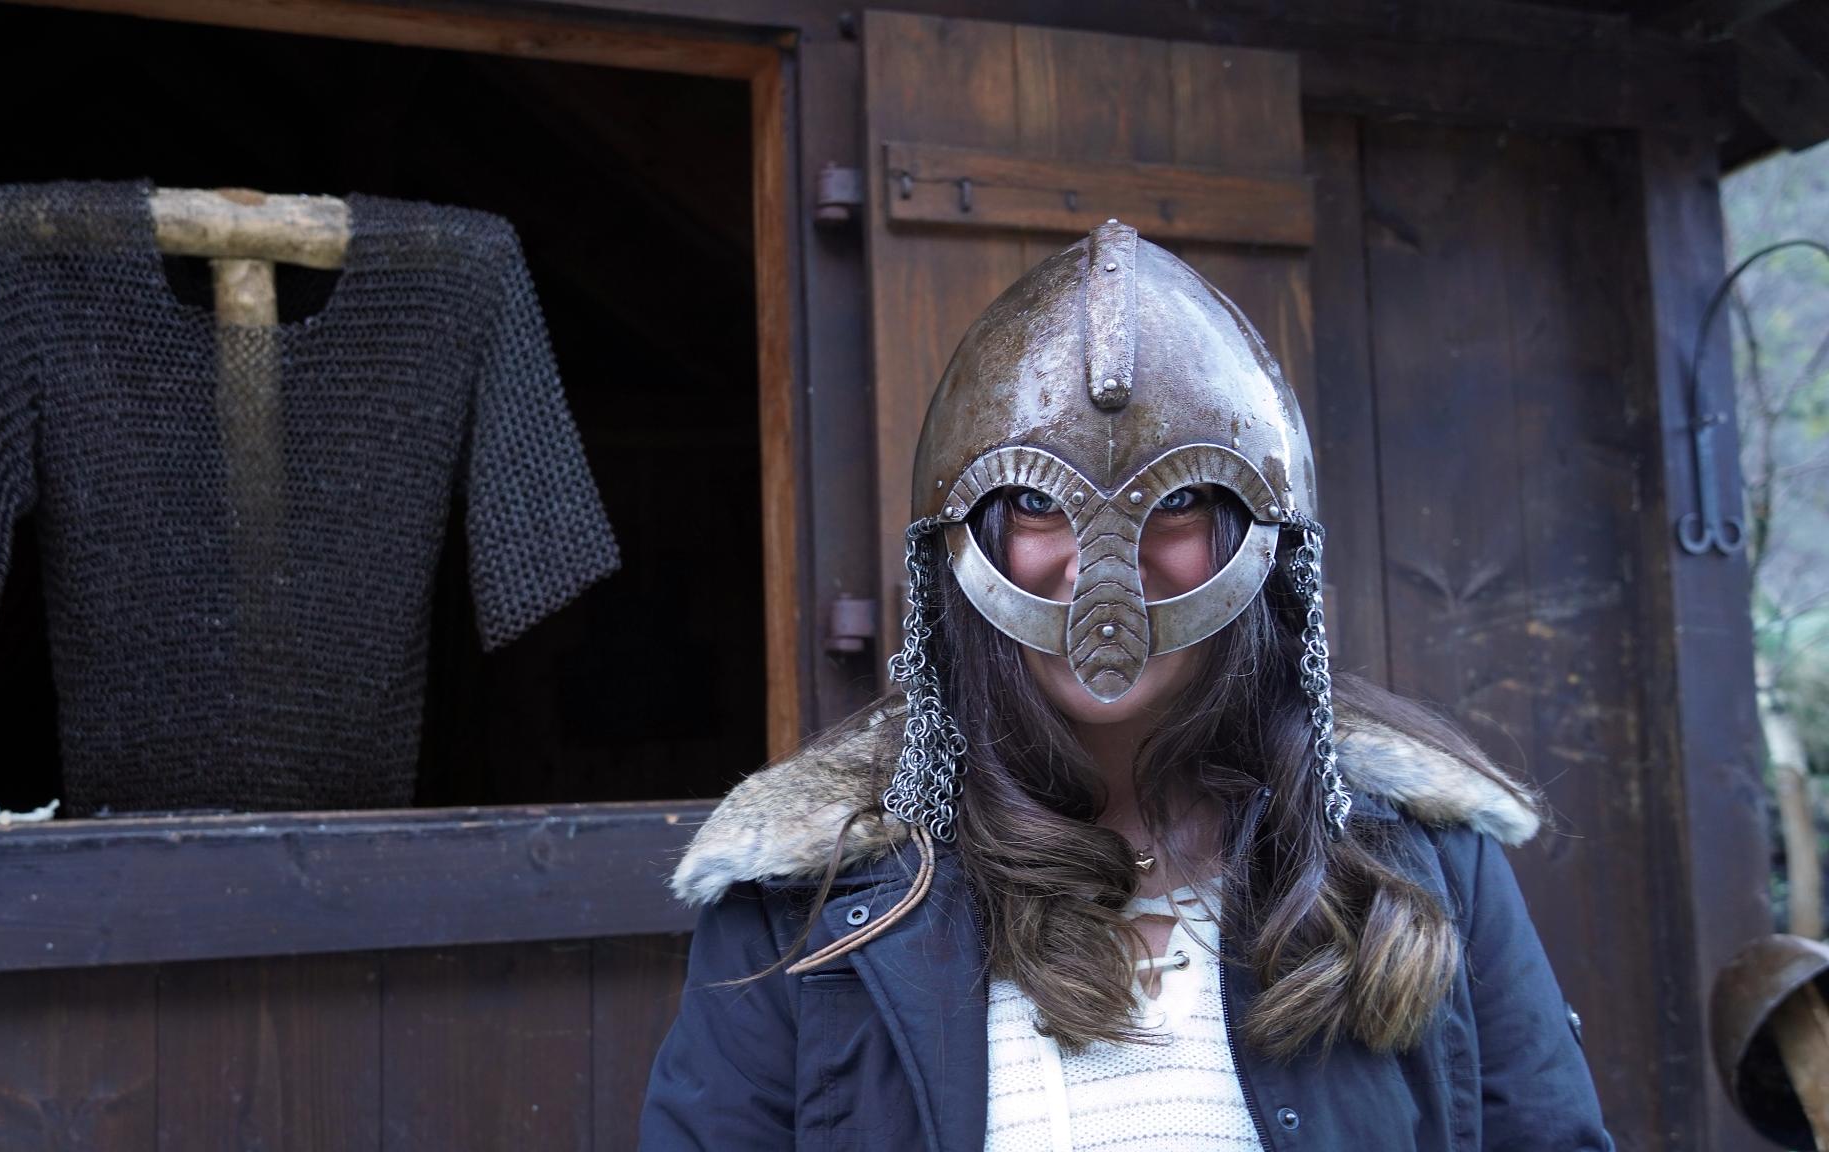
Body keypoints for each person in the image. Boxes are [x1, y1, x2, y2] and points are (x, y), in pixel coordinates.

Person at [639, 221, 1611, 1151]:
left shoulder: (1421, 859)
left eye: (1177, 498)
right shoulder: (806, 900)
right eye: (1033, 499)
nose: (1096, 566)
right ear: (961, 537)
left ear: (1259, 538)